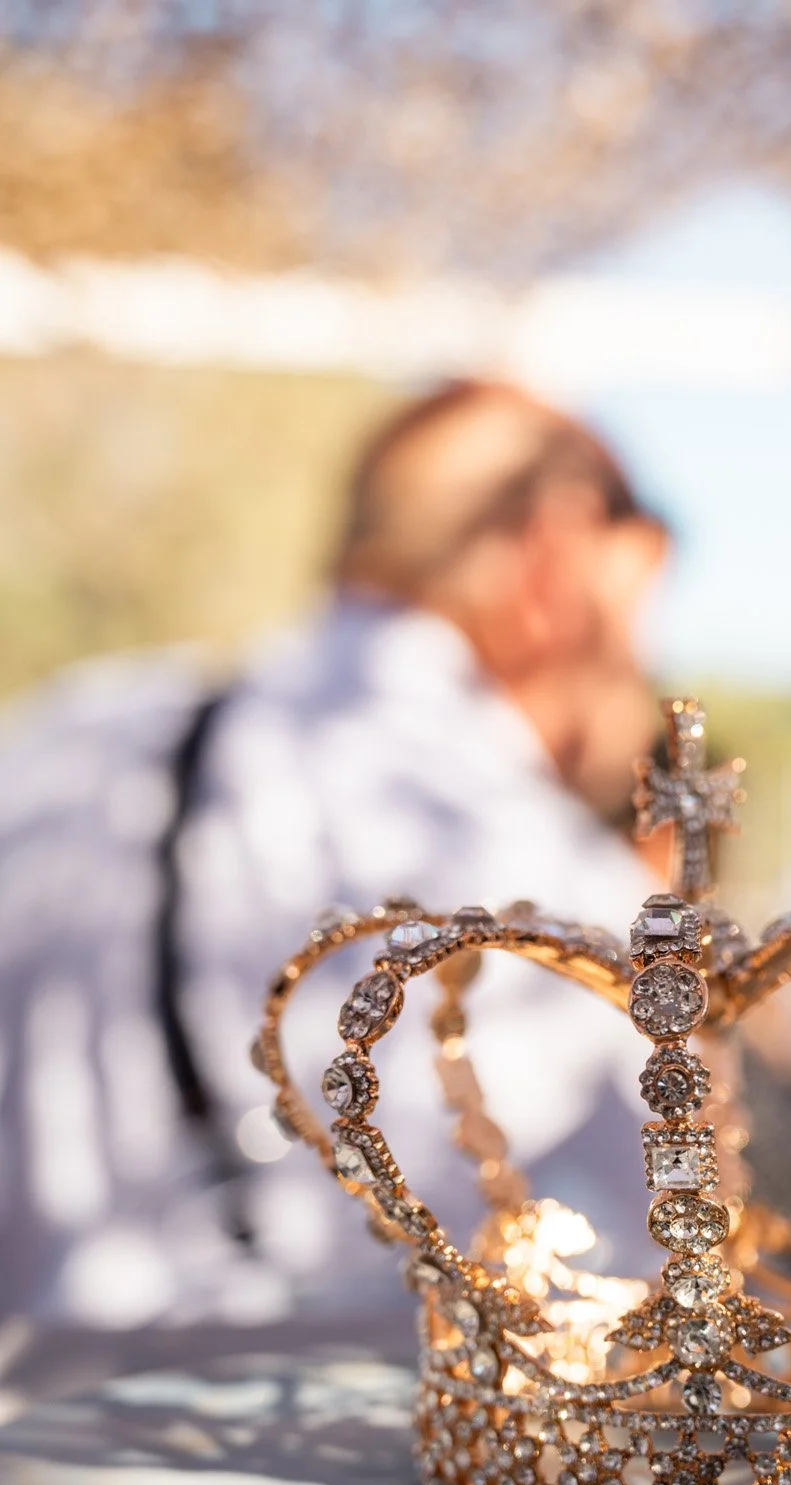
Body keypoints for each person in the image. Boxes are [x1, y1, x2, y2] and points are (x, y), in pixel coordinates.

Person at [0, 381, 669, 1328]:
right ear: (553, 559)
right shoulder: (532, 869)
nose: (644, 667)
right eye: (643, 606)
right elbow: (656, 1302)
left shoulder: (53, 741)